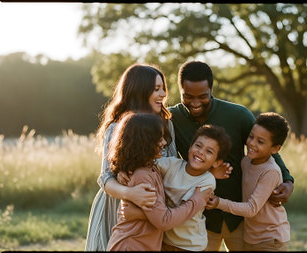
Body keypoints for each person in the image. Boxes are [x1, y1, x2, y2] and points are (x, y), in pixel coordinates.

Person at [169, 61, 295, 251]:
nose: (195, 103)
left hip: (239, 217)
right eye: (188, 97)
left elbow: (268, 150)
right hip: (200, 219)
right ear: (180, 90)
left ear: (211, 89)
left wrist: (287, 180)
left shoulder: (238, 115)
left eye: (202, 97)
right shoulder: (170, 119)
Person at [84, 63, 178, 251]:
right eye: (156, 89)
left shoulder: (166, 125)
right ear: (140, 91)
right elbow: (105, 178)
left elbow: (173, 166)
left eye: (163, 89)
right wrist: (130, 193)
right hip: (118, 205)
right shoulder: (116, 127)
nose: (163, 95)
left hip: (155, 207)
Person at [105, 112, 211, 251]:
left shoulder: (151, 168)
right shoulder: (142, 175)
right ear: (145, 142)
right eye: (159, 138)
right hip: (131, 246)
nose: (164, 143)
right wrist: (196, 201)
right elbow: (164, 220)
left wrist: (137, 213)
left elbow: (158, 213)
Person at [120, 124, 233, 251]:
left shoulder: (207, 181)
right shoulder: (172, 164)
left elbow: (182, 212)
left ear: (217, 162)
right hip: (164, 241)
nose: (201, 152)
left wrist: (140, 214)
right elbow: (146, 163)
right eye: (198, 146)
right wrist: (124, 170)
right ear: (190, 148)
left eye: (209, 151)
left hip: (190, 245)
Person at [206, 112, 291, 251]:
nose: (252, 143)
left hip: (271, 239)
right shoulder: (246, 161)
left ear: (275, 148)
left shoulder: (270, 172)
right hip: (251, 237)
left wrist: (219, 203)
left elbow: (251, 209)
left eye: (260, 142)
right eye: (251, 136)